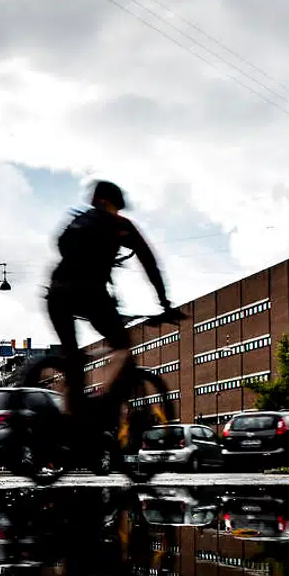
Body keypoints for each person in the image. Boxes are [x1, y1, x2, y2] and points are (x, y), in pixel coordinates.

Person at [47, 180, 180, 429]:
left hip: (56, 293)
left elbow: (60, 246)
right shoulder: (120, 226)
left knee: (73, 362)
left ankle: (66, 423)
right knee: (122, 346)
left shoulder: (78, 220)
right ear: (112, 204)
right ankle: (102, 401)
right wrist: (164, 302)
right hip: (90, 294)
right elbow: (150, 264)